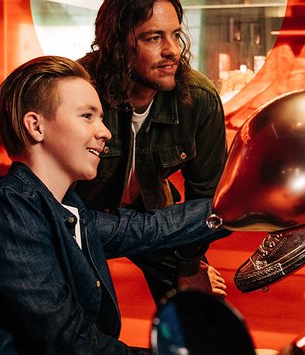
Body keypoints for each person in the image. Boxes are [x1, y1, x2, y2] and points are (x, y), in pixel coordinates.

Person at [0, 56, 227, 355]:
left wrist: (233, 208)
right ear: (35, 126)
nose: (105, 132)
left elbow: (149, 227)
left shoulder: (66, 211)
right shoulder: (6, 209)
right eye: (88, 116)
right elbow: (67, 348)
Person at [76, 0, 229, 303]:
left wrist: (189, 265)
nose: (172, 50)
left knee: (200, 304)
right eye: (154, 38)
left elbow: (209, 195)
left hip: (148, 212)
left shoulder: (197, 98)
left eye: (175, 35)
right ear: (117, 43)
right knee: (86, 318)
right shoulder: (77, 89)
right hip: (82, 218)